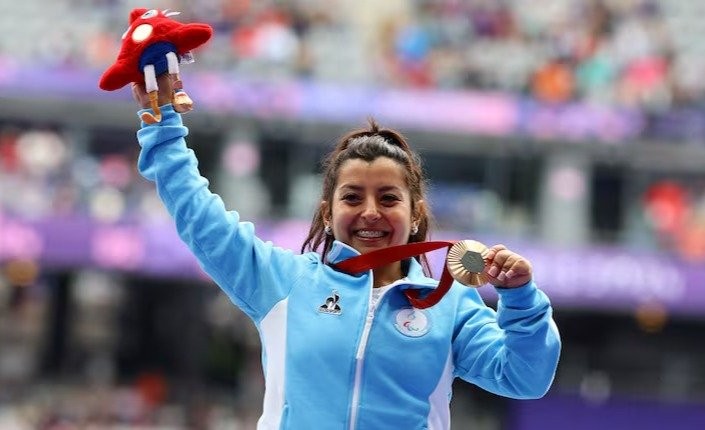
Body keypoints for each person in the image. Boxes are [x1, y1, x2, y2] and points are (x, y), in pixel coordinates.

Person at [131, 75, 561, 430]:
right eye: (353, 197)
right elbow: (201, 219)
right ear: (328, 211)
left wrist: (521, 300)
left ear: (416, 214)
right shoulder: (284, 282)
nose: (370, 213)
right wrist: (163, 129)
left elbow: (524, 379)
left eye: (389, 199)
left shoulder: (451, 304)